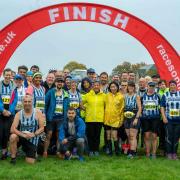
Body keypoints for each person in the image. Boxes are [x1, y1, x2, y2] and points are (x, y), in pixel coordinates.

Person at [9, 95, 44, 164]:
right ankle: (13, 158)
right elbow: (12, 129)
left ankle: (31, 152)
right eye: (25, 101)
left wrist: (34, 134)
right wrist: (23, 135)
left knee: (30, 162)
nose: (27, 103)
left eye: (29, 101)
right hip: (22, 137)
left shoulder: (38, 112)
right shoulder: (18, 114)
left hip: (33, 139)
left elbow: (42, 128)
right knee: (13, 136)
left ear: (32, 102)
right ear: (22, 103)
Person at [43, 77, 69, 157]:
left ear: (63, 84)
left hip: (61, 118)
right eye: (58, 82)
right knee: (49, 134)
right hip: (51, 117)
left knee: (59, 135)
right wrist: (44, 114)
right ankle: (45, 151)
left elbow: (67, 106)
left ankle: (58, 151)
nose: (60, 83)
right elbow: (45, 104)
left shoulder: (65, 93)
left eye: (61, 82)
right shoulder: (51, 92)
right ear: (55, 83)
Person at [83, 79, 106, 156]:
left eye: (97, 85)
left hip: (99, 119)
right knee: (90, 136)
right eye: (95, 85)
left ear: (99, 86)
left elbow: (106, 106)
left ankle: (96, 150)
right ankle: (90, 150)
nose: (96, 86)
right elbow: (80, 102)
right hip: (89, 119)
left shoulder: (104, 96)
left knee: (97, 136)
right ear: (92, 86)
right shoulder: (88, 95)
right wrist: (84, 108)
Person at [161, 80, 180, 160]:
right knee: (169, 136)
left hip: (178, 120)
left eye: (173, 85)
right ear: (169, 86)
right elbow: (162, 107)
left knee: (176, 137)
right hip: (169, 119)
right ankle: (168, 153)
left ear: (176, 86)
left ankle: (174, 153)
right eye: (171, 85)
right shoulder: (165, 95)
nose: (172, 86)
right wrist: (164, 117)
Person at [141, 82, 161, 158]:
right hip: (145, 119)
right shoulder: (143, 96)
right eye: (150, 86)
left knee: (154, 136)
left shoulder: (158, 96)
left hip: (155, 118)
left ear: (154, 87)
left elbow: (161, 106)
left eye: (153, 86)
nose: (151, 88)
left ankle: (154, 153)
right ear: (147, 86)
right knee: (147, 136)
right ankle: (147, 152)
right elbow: (141, 107)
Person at [104, 81, 124, 156]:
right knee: (108, 135)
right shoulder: (106, 96)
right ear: (109, 88)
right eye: (111, 87)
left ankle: (117, 151)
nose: (113, 88)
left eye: (114, 86)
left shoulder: (121, 96)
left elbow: (122, 109)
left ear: (117, 87)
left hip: (116, 119)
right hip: (107, 119)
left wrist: (121, 120)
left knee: (114, 136)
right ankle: (109, 151)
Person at [124, 81, 142, 158]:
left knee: (132, 136)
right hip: (126, 117)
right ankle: (131, 150)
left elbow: (140, 108)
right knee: (128, 136)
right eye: (129, 86)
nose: (130, 87)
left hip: (134, 117)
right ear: (127, 87)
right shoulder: (125, 96)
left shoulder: (136, 96)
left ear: (134, 87)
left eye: (132, 86)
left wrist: (136, 118)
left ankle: (132, 152)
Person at [0, 68, 14, 160]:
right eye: (7, 74)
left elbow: (15, 100)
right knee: (1, 132)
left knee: (7, 132)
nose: (8, 76)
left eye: (10, 75)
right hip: (1, 112)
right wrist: (2, 110)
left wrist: (9, 111)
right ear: (3, 75)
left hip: (10, 113)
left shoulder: (13, 86)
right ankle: (3, 150)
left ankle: (6, 151)